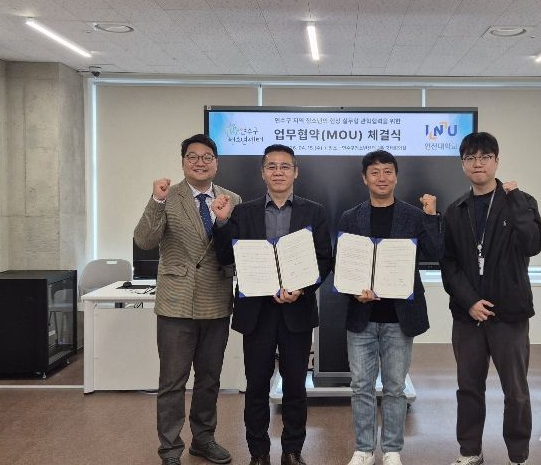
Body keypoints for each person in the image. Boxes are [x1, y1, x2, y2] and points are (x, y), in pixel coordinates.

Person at [211, 144, 333, 465]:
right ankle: (259, 453)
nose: (278, 172)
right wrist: (221, 223)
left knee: (295, 387)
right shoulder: (242, 212)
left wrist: (302, 289)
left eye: (285, 166)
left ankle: (292, 451)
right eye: (272, 166)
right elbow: (225, 257)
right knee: (256, 387)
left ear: (296, 172)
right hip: (257, 312)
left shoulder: (314, 212)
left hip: (297, 311)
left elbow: (324, 259)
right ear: (263, 172)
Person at [134, 134, 241, 465]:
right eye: (192, 156)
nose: (200, 162)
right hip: (176, 302)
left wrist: (223, 221)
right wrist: (156, 201)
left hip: (215, 299)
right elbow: (145, 240)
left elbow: (237, 249)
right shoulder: (168, 196)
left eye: (207, 157)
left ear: (216, 163)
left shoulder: (232, 199)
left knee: (209, 380)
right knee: (172, 381)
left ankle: (203, 439)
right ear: (183, 162)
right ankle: (169, 449)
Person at [440, 132, 541, 465]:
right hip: (468, 316)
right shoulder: (455, 210)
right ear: (462, 165)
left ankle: (518, 455)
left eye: (485, 157)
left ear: (497, 161)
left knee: (515, 390)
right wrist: (470, 301)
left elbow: (533, 245)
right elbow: (449, 264)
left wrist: (517, 204)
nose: (478, 164)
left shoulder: (522, 202)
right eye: (470, 158)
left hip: (509, 314)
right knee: (469, 388)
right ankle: (470, 451)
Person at [339, 150, 443, 465]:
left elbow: (435, 252)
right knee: (361, 386)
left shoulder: (413, 215)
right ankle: (364, 449)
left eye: (387, 171)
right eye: (375, 172)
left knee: (395, 387)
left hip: (400, 317)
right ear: (364, 178)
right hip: (362, 315)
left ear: (396, 177)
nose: (381, 178)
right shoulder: (350, 217)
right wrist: (354, 291)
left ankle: (392, 449)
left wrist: (431, 216)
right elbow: (343, 264)